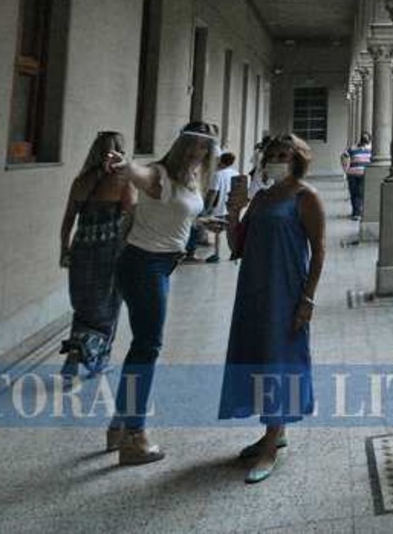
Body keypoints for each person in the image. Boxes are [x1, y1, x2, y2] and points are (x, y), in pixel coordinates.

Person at [104, 120, 218, 465]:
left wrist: (200, 224)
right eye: (194, 145)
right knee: (147, 348)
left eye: (206, 147)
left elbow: (173, 213)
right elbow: (137, 174)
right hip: (144, 264)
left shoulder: (190, 178)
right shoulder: (160, 173)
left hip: (158, 263)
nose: (200, 152)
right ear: (181, 145)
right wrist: (124, 166)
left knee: (143, 347)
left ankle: (120, 427)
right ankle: (134, 436)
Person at [218, 134, 325, 484]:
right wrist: (234, 211)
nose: (277, 159)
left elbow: (319, 250)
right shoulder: (262, 198)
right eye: (273, 154)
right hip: (254, 288)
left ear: (298, 159)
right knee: (257, 356)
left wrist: (307, 298)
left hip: (287, 289)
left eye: (285, 154)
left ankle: (270, 444)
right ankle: (273, 432)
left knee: (280, 359)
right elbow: (238, 245)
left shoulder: (306, 197)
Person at [58, 131, 136, 382]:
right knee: (109, 305)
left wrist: (64, 249)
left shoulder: (81, 180)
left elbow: (69, 218)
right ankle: (99, 360)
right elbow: (130, 217)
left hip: (82, 247)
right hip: (111, 249)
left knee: (83, 305)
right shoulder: (123, 181)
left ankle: (73, 356)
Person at [187, 152, 238, 263]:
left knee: (209, 229)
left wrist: (207, 208)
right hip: (230, 207)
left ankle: (212, 254)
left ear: (220, 161)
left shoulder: (218, 175)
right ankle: (233, 252)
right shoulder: (236, 173)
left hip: (218, 207)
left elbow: (213, 192)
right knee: (228, 231)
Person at [340, 134, 372, 220]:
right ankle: (355, 212)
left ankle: (357, 213)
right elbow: (343, 156)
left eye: (366, 139)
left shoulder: (371, 149)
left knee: (359, 193)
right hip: (352, 174)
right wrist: (345, 168)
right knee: (353, 193)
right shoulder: (353, 148)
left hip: (363, 175)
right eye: (364, 139)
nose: (365, 141)